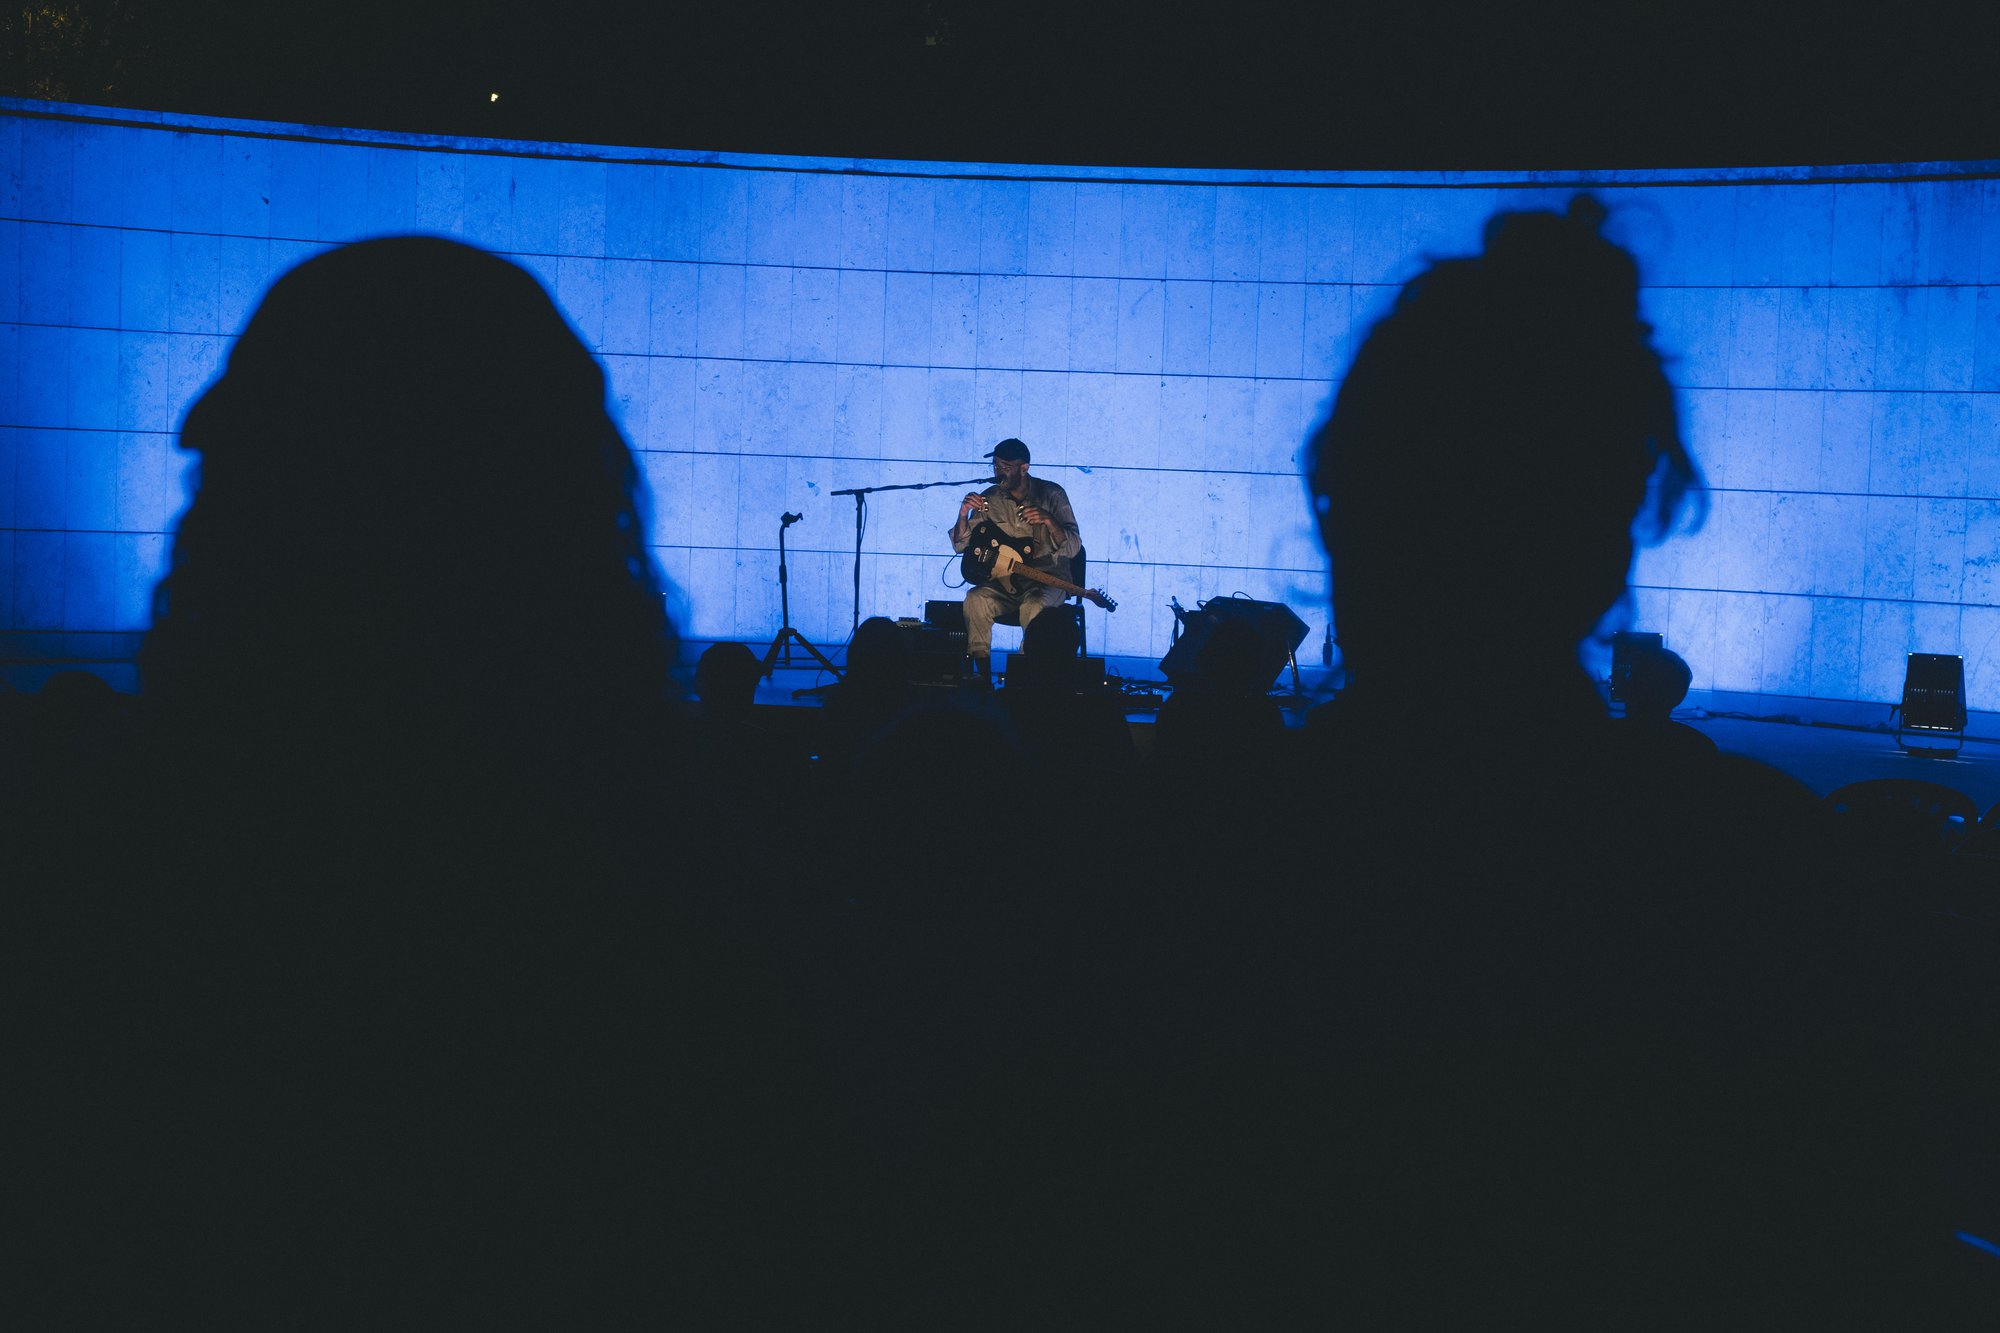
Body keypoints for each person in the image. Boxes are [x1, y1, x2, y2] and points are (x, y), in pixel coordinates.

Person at [949, 437, 1081, 673]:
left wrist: (1048, 520)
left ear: (1024, 468)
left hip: (1046, 580)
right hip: (1006, 582)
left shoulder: (1052, 494)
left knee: (1034, 605)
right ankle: (983, 677)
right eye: (996, 465)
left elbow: (1073, 548)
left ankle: (1023, 675)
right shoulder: (990, 498)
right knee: (975, 599)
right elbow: (961, 546)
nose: (999, 471)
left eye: (1006, 467)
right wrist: (962, 515)